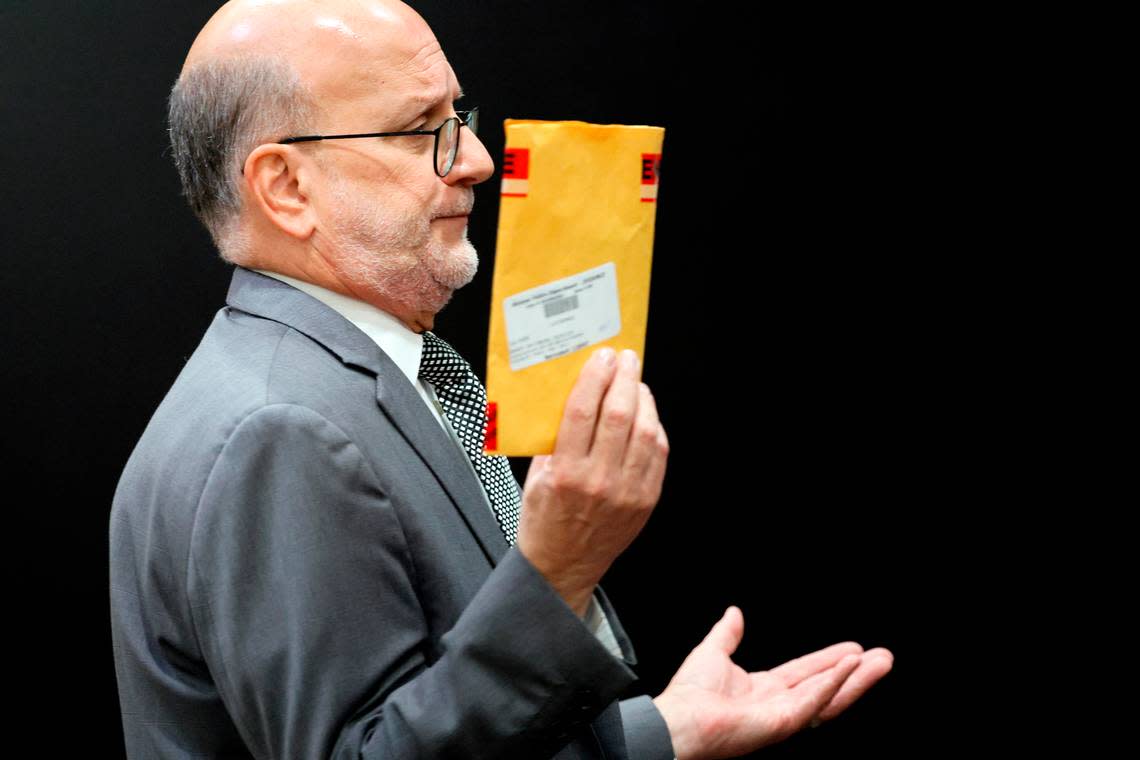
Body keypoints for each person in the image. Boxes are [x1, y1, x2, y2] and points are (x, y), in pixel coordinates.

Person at [108, 1, 894, 758]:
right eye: (422, 131)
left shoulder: (330, 377)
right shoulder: (281, 429)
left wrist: (661, 735)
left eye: (460, 118)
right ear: (286, 187)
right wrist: (560, 571)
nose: (477, 160)